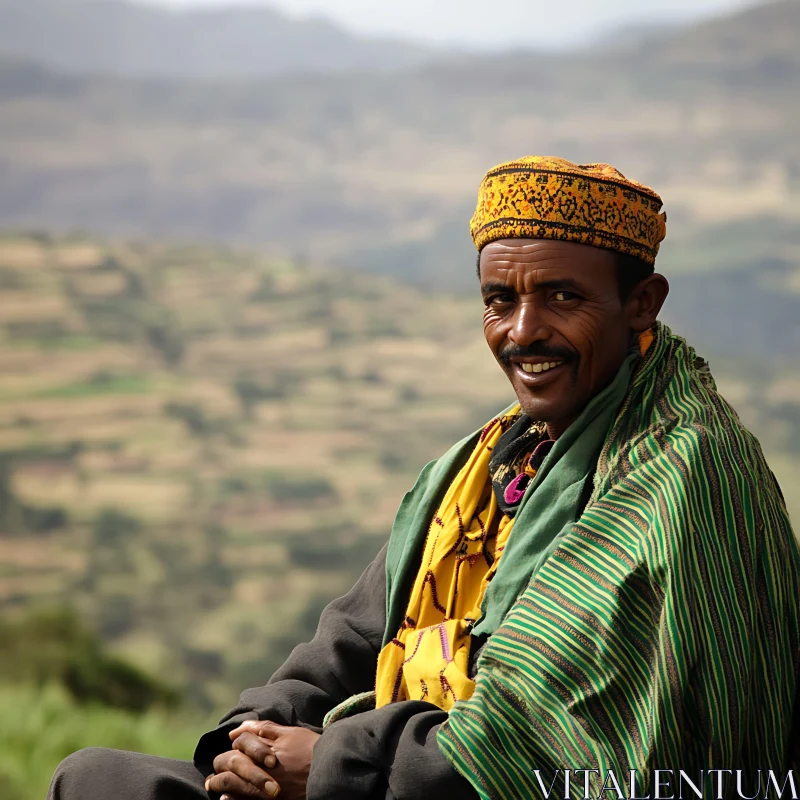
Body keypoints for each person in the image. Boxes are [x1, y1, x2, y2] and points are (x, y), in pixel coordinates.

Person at [49, 156, 800, 800]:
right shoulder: (489, 462)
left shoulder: (677, 478)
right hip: (388, 776)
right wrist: (250, 739)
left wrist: (336, 768)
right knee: (96, 778)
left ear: (642, 302)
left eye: (563, 297)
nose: (522, 331)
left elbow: (547, 747)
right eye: (499, 301)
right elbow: (350, 637)